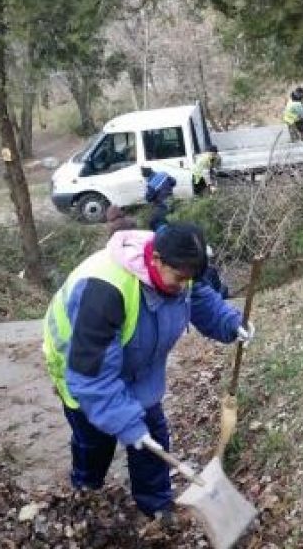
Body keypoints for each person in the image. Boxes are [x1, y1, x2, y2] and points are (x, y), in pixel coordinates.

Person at [41, 223, 254, 522]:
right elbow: (92, 379)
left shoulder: (181, 272)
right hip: (80, 367)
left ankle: (156, 506)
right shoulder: (105, 290)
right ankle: (87, 490)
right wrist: (128, 425)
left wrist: (230, 323)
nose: (184, 285)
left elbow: (199, 298)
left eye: (189, 279)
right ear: (155, 259)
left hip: (138, 364)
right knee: (96, 440)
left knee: (153, 440)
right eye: (179, 278)